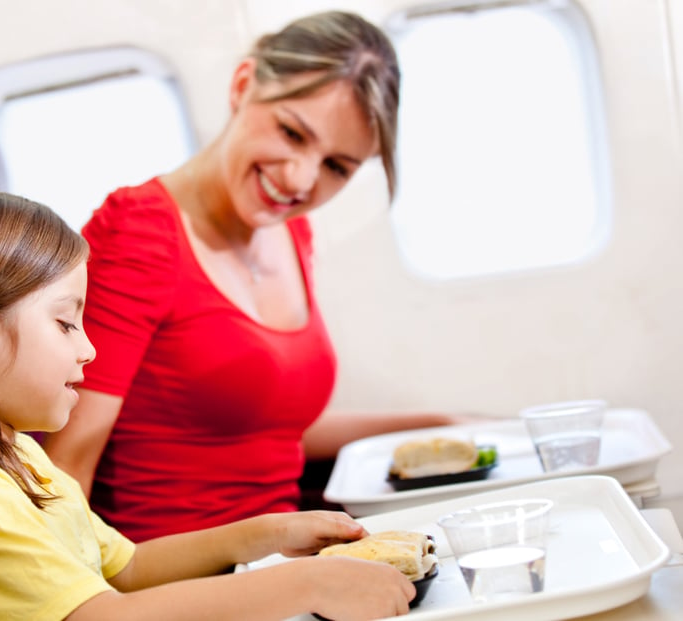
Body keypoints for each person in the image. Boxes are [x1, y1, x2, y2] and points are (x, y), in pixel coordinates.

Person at [0, 181, 415, 621]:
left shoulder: (13, 454)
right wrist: (308, 584)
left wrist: (265, 534)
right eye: (67, 323)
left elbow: (127, 568)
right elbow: (105, 616)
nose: (89, 348)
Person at [43, 8, 463, 543]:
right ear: (243, 86)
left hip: (283, 554)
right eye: (291, 132)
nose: (300, 179)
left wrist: (436, 422)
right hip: (178, 570)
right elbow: (65, 467)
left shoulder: (291, 232)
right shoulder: (139, 233)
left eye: (337, 166)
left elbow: (259, 427)